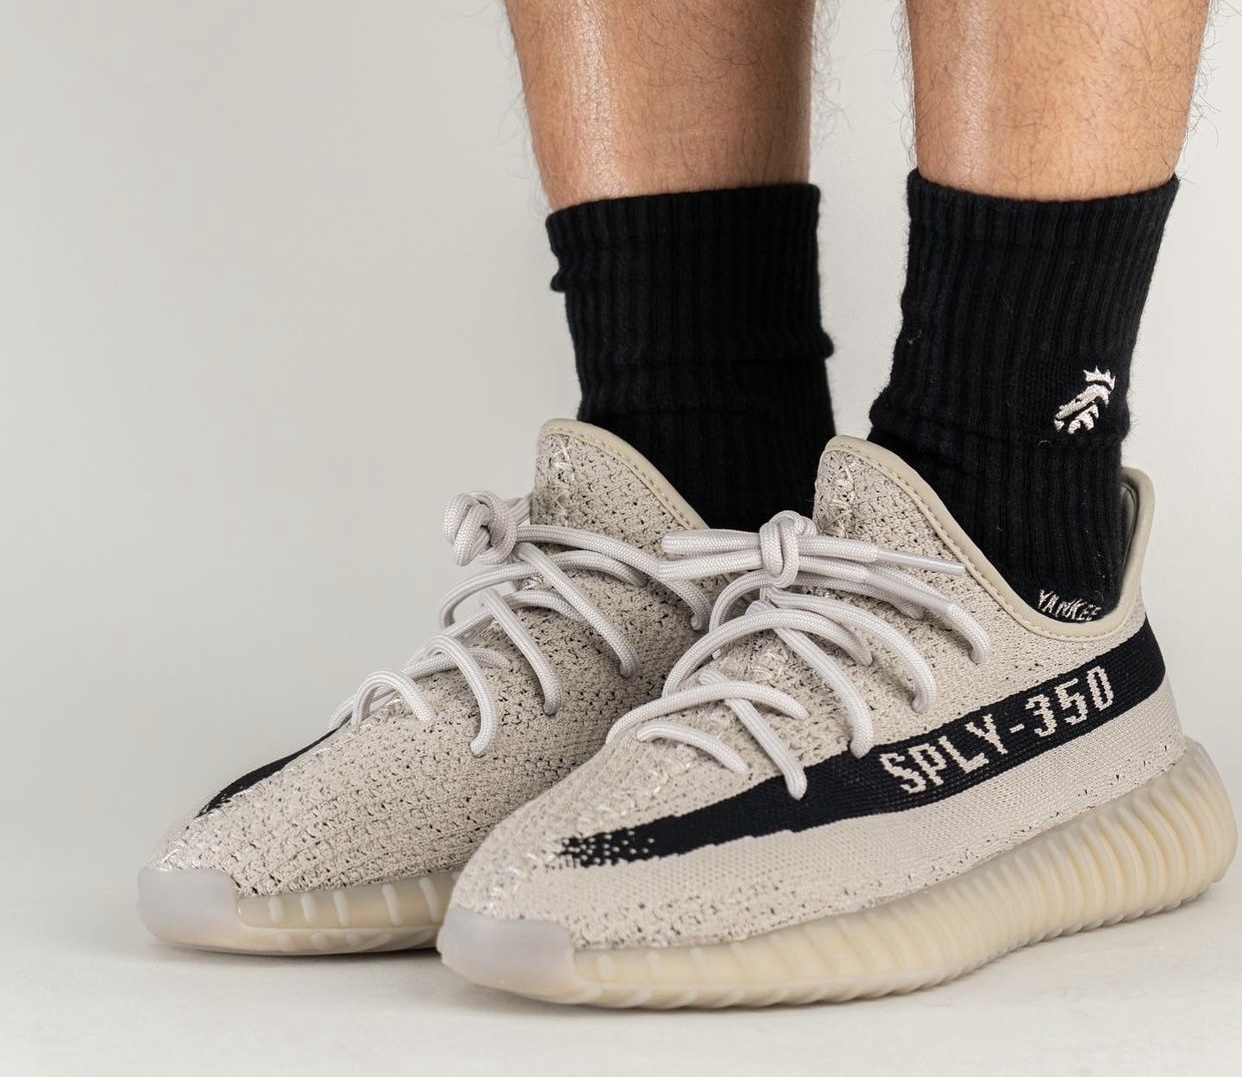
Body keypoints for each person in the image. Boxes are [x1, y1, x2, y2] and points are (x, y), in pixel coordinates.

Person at [140, 0, 1235, 1006]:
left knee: (999, 455)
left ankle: (1022, 553)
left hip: (1027, 581)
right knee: (687, 399)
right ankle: (705, 507)